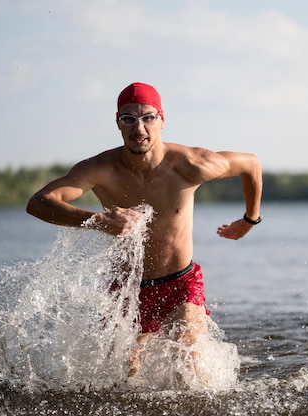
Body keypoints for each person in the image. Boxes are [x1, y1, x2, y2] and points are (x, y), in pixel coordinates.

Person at [26, 82, 262, 375]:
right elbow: (38, 203)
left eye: (148, 117)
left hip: (179, 285)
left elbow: (251, 164)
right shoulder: (101, 169)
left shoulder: (191, 164)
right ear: (118, 123)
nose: (139, 128)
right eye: (129, 119)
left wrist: (249, 220)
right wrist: (99, 222)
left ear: (162, 120)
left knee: (191, 377)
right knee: (123, 383)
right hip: (125, 290)